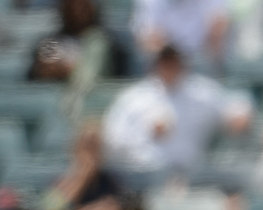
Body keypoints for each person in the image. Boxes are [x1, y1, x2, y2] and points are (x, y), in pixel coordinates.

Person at [103, 45, 252, 178]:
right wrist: (146, 131)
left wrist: (238, 115)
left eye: (173, 63)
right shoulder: (134, 98)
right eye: (165, 63)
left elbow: (235, 104)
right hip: (143, 173)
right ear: (156, 66)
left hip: (188, 174)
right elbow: (114, 137)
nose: (169, 68)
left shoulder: (199, 92)